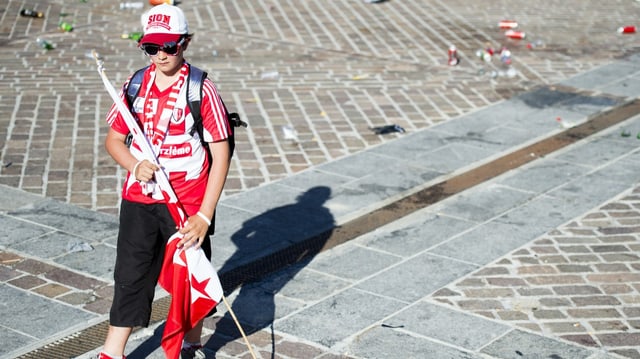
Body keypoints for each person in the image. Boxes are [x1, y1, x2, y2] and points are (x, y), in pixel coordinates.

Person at [99, 4, 231, 359]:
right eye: (151, 48)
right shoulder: (136, 84)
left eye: (169, 47)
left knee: (190, 277)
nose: (160, 55)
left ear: (185, 43)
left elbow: (221, 152)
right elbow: (114, 139)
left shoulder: (201, 88)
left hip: (187, 202)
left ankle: (191, 343)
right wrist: (133, 163)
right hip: (140, 199)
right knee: (130, 274)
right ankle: (112, 352)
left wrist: (204, 215)